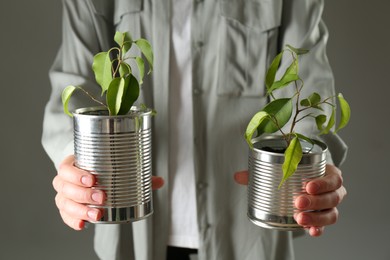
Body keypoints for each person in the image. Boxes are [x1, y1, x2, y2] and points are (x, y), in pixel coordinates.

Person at [42, 0, 348, 260]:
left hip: (248, 239)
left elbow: (306, 85)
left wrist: (313, 165)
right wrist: (77, 166)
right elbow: (74, 86)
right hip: (132, 238)